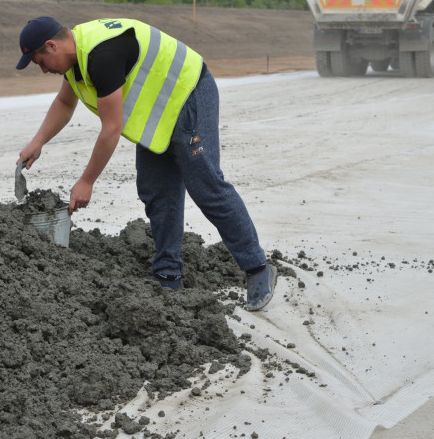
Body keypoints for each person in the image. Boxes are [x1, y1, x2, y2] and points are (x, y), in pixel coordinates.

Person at [15, 16, 277, 311]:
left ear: (51, 46)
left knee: (207, 186)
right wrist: (38, 141)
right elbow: (65, 103)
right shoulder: (75, 59)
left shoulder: (101, 56)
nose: (43, 69)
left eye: (39, 61)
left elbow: (111, 128)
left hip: (186, 94)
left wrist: (86, 180)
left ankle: (258, 269)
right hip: (158, 115)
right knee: (157, 191)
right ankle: (168, 275)